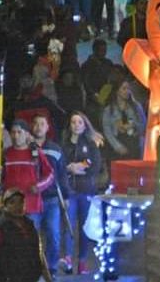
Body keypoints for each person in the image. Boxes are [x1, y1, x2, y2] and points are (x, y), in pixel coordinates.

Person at [61, 111, 103, 275]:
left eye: (79, 122)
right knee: (69, 226)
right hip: (70, 190)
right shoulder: (64, 144)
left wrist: (81, 167)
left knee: (84, 228)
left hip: (86, 190)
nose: (76, 125)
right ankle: (68, 259)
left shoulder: (91, 144)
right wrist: (69, 168)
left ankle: (83, 261)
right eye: (73, 122)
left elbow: (95, 165)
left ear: (85, 125)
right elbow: (60, 164)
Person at [0, 189, 52, 282]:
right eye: (12, 203)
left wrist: (48, 279)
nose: (17, 206)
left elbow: (39, 255)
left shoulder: (29, 225)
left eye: (21, 202)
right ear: (5, 205)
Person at [30, 114, 70, 279]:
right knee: (32, 236)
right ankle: (33, 268)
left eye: (42, 124)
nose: (39, 127)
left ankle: (51, 268)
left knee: (54, 235)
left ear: (47, 128)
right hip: (32, 199)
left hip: (52, 199)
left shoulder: (55, 149)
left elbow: (62, 174)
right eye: (36, 124)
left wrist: (66, 196)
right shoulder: (27, 148)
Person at [0, 120, 54, 227]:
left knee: (31, 239)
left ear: (27, 134)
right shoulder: (5, 154)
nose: (16, 136)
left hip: (31, 205)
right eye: (13, 132)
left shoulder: (35, 153)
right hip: (10, 206)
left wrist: (38, 186)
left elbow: (50, 174)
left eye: (19, 132)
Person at [102, 80, 147, 160]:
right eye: (124, 88)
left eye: (129, 89)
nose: (127, 91)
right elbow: (107, 132)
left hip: (134, 145)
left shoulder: (136, 107)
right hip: (116, 148)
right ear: (117, 91)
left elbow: (143, 126)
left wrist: (133, 125)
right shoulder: (109, 110)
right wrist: (117, 146)